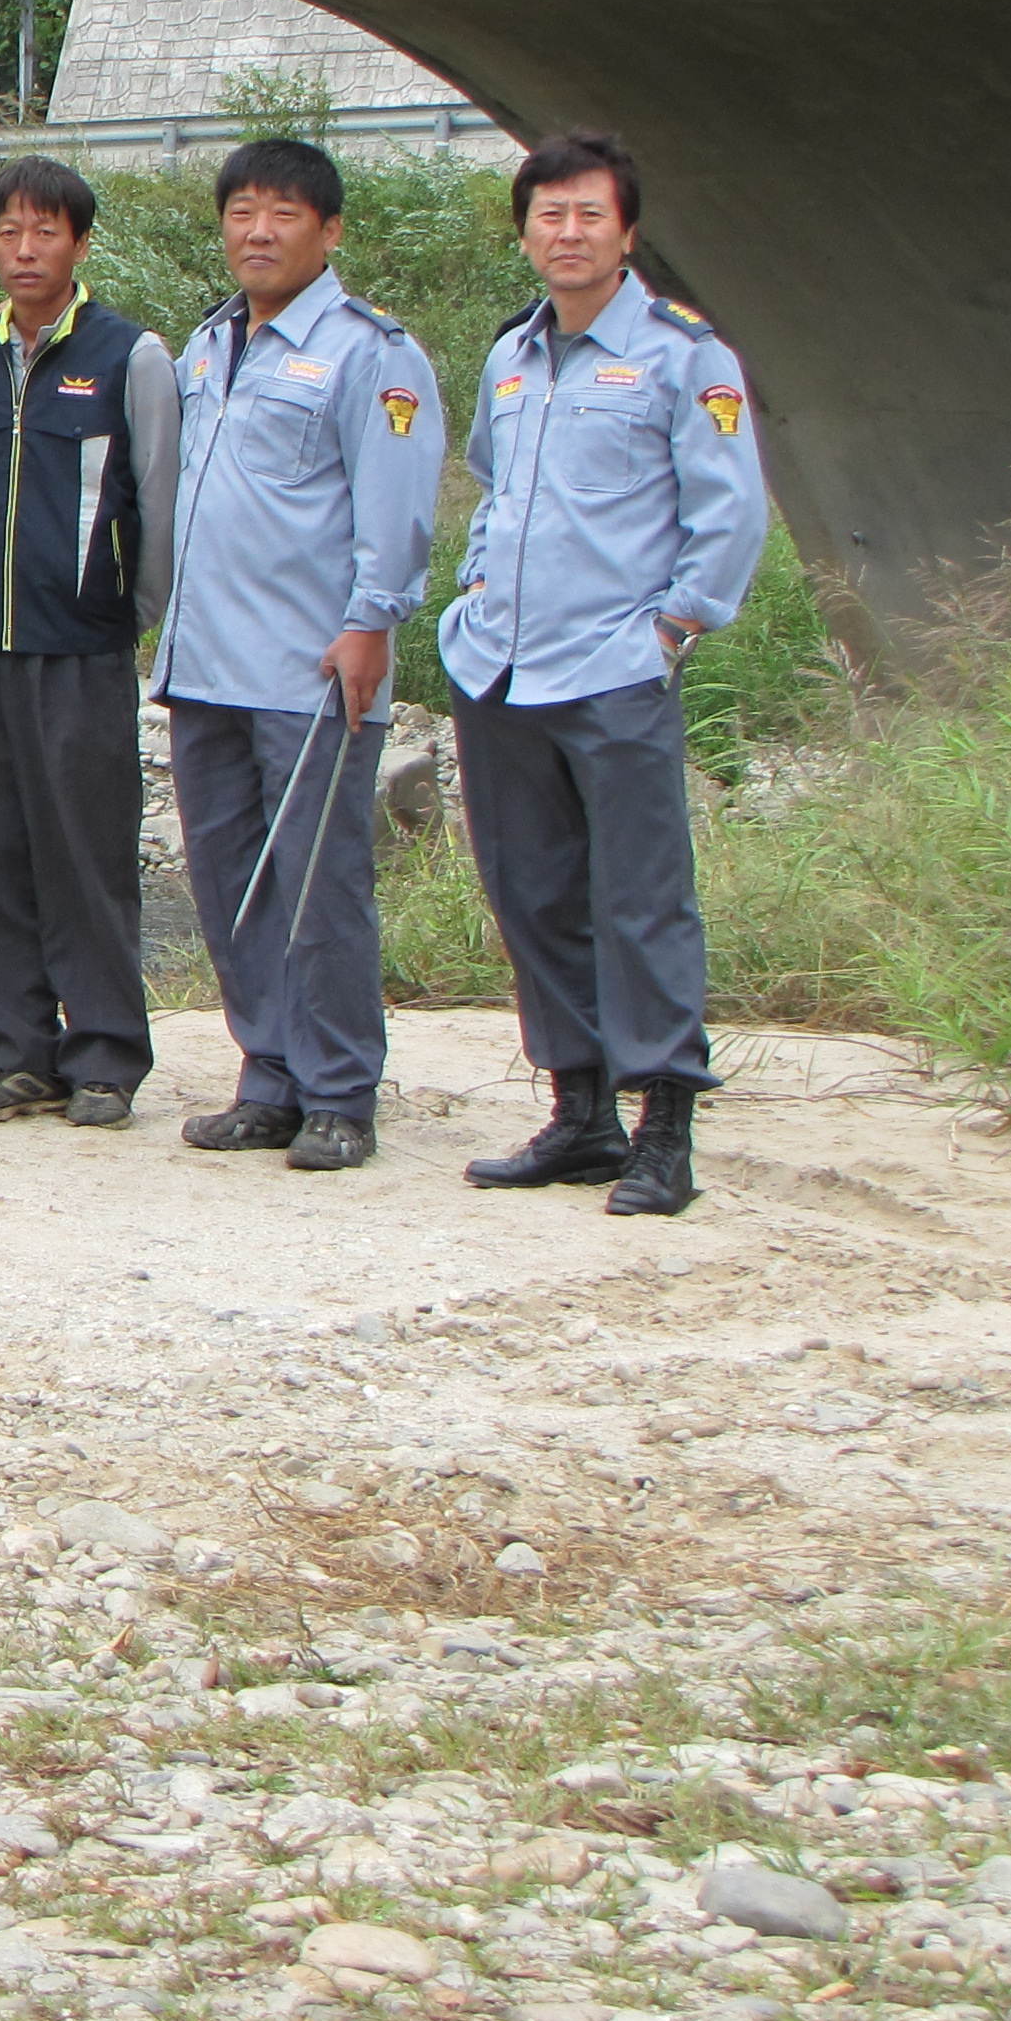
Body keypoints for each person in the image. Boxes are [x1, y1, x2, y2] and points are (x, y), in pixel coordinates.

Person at [441, 131, 768, 1218]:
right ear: (524, 232)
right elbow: (493, 487)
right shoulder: (511, 355)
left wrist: (670, 631)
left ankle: (664, 1128)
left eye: (589, 214)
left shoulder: (684, 356)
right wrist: (473, 593)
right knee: (533, 894)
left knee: (640, 898)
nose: (568, 233)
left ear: (627, 233)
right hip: (502, 668)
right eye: (550, 215)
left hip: (613, 669)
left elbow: (729, 511)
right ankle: (579, 1113)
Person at [151, 137, 444, 1172]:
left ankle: (339, 1092)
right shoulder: (207, 345)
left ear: (330, 231)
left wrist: (372, 622)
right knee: (229, 881)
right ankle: (268, 1079)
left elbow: (397, 507)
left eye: (283, 214)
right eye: (241, 213)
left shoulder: (372, 353)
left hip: (309, 670)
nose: (258, 232)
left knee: (319, 885)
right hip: (205, 665)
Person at [0, 155, 182, 1131]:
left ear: (80, 243)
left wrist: (130, 613)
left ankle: (106, 1058)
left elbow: (159, 501)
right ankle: (14, 1055)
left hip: (81, 644)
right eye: (8, 232)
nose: (25, 249)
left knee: (85, 853)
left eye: (45, 231)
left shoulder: (130, 355)